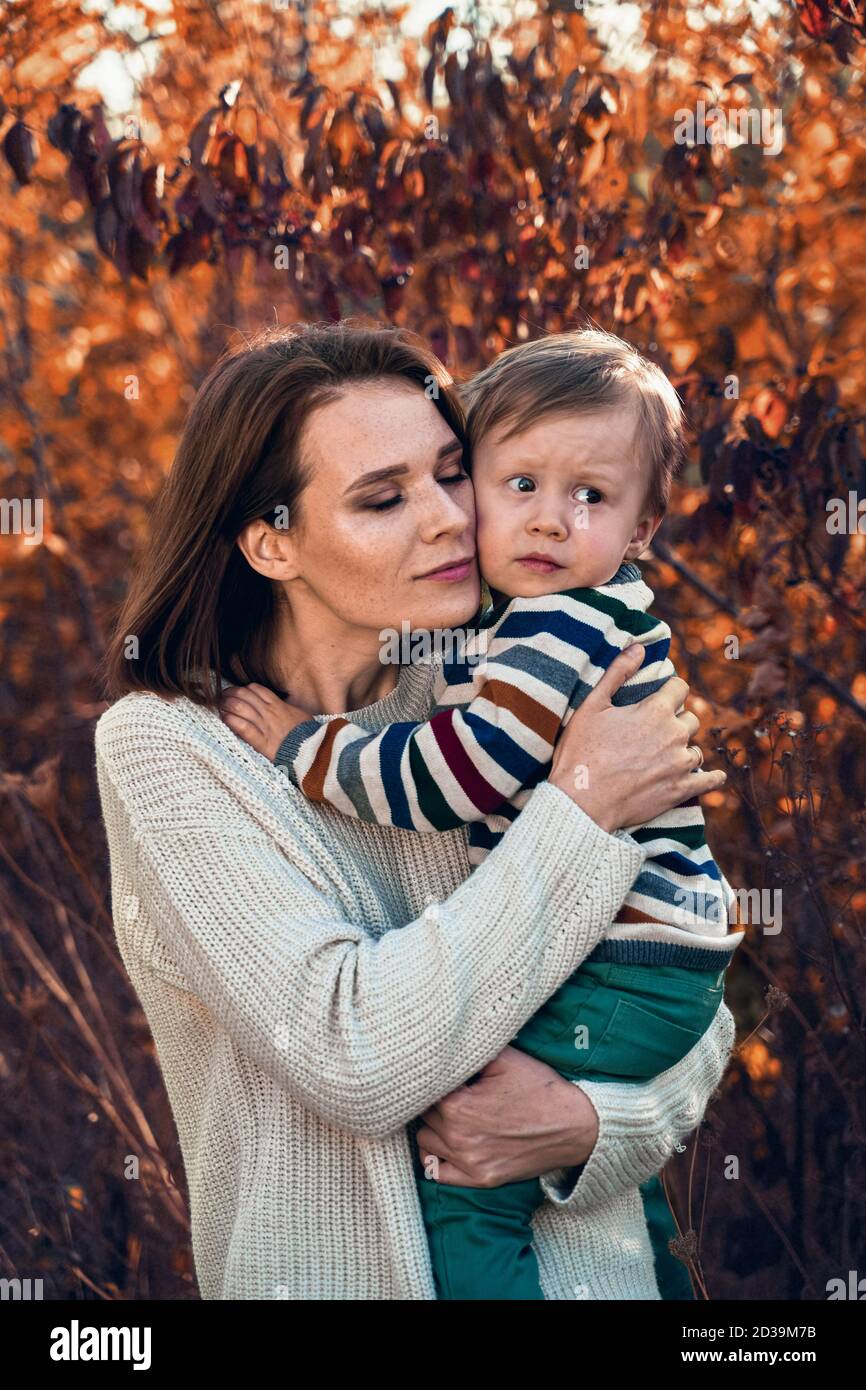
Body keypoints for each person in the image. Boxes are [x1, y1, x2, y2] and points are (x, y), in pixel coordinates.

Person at [95, 320, 735, 1300]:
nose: (446, 518)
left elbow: (694, 1003)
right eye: (383, 498)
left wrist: (589, 1125)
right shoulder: (171, 749)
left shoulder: (490, 683)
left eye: (451, 473)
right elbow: (355, 1054)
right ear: (271, 541)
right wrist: (581, 805)